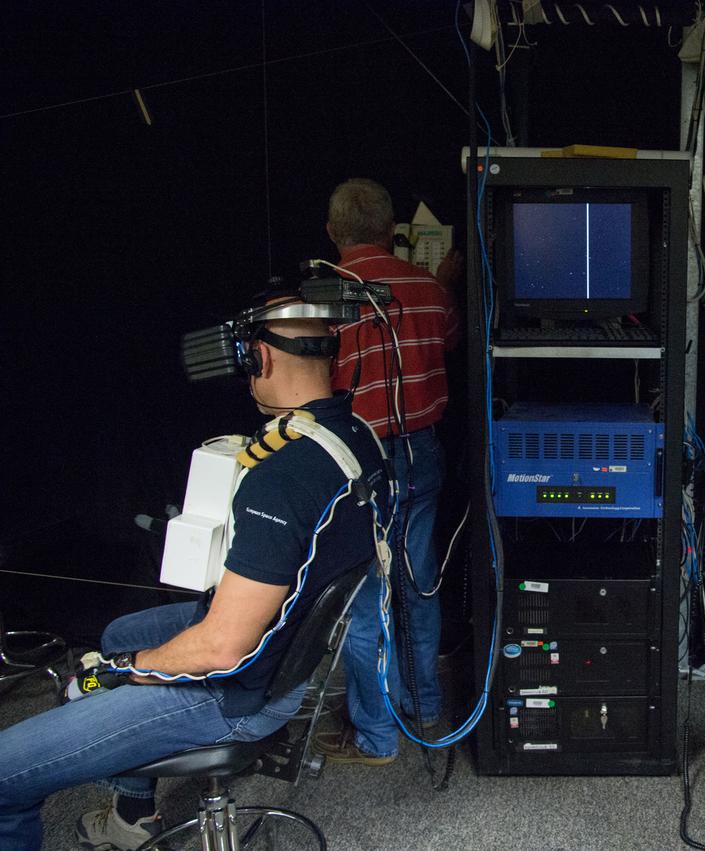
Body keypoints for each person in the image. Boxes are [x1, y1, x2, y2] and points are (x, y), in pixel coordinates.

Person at [0, 311, 389, 851]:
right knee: (122, 631)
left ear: (260, 357)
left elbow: (220, 647)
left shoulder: (277, 480)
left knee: (5, 772)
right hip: (285, 659)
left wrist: (124, 673)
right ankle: (133, 817)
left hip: (235, 693)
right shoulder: (360, 437)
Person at [315, 178, 461, 765]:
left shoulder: (325, 297)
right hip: (422, 452)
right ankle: (425, 706)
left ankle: (378, 732)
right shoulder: (428, 287)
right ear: (392, 229)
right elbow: (448, 340)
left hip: (360, 460)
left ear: (332, 233)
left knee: (365, 596)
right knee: (418, 585)